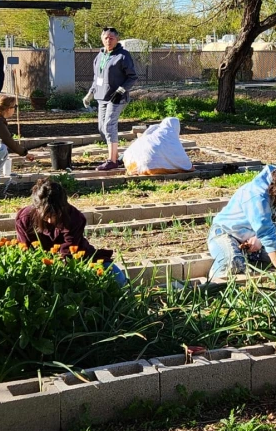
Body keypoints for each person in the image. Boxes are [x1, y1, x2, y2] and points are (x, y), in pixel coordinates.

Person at [206, 164, 276, 282]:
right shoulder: (256, 195)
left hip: (251, 239)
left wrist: (259, 240)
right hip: (226, 232)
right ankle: (214, 282)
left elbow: (275, 224)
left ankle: (246, 258)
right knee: (232, 262)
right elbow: (266, 232)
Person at [15, 177, 119, 273]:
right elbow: (25, 251)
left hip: (77, 260)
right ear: (37, 208)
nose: (51, 221)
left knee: (117, 275)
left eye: (55, 215)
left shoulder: (74, 217)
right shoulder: (24, 219)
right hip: (38, 266)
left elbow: (67, 254)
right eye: (46, 216)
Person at [83, 28, 138, 171]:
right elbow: (97, 79)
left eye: (111, 38)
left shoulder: (123, 56)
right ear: (102, 39)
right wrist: (90, 93)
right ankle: (116, 156)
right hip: (102, 97)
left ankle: (112, 161)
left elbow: (132, 77)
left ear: (117, 39)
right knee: (102, 129)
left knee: (109, 125)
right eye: (106, 38)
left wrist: (121, 90)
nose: (108, 40)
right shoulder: (99, 56)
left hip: (117, 98)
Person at [122, 115, 192, 175]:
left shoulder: (151, 134)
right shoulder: (171, 139)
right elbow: (186, 165)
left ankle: (136, 169)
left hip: (134, 164)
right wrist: (190, 167)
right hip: (151, 167)